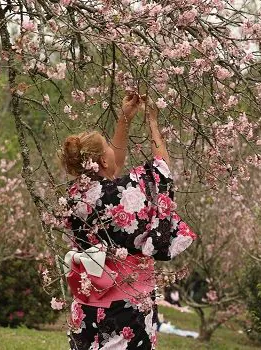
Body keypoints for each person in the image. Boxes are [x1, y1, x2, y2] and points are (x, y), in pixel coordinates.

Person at [59, 93, 197, 350]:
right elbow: (160, 172)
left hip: (87, 303)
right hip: (127, 303)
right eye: (108, 148)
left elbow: (111, 171)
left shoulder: (74, 195)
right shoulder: (122, 194)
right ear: (101, 160)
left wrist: (125, 119)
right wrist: (153, 122)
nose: (114, 151)